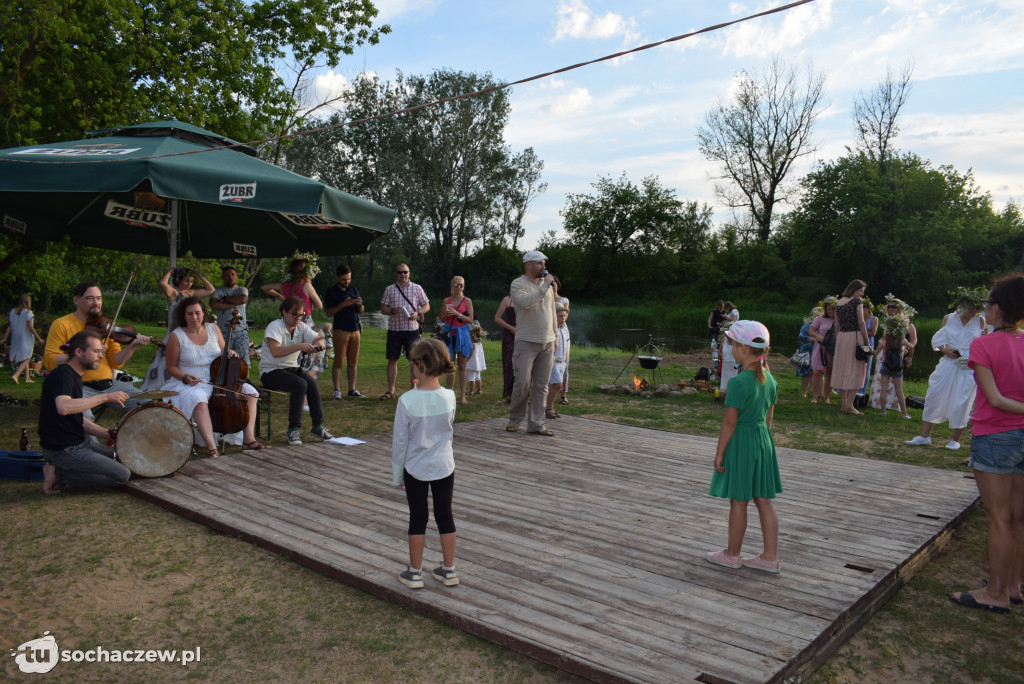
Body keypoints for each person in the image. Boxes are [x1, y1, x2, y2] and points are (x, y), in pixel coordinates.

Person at [949, 273, 1024, 613]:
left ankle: (995, 593)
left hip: (995, 436)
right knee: (1019, 517)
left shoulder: (984, 344)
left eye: (988, 305)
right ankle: (1013, 586)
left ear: (997, 309)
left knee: (999, 518)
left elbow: (993, 398)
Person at [705, 320, 783, 573]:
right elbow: (769, 419)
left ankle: (732, 554)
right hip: (763, 441)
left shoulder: (738, 384)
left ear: (741, 348)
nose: (730, 349)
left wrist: (719, 454)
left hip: (742, 442)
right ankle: (770, 557)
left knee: (739, 500)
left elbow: (729, 423)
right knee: (764, 500)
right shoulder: (770, 380)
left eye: (731, 345)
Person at [391, 338, 459, 589]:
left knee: (417, 518)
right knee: (445, 516)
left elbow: (400, 441)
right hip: (444, 467)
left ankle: (414, 572)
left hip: (415, 469)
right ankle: (449, 570)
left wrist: (398, 474)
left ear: (417, 366)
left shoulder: (407, 401)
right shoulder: (450, 397)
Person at [160, 297, 266, 456]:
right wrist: (185, 377)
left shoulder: (213, 328)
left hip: (219, 378)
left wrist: (230, 353)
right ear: (183, 316)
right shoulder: (177, 336)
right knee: (199, 398)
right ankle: (212, 448)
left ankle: (248, 439)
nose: (194, 317)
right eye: (190, 314)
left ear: (203, 313)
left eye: (197, 313)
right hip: (191, 381)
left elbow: (224, 352)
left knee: (250, 392)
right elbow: (171, 366)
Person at [38, 330, 133, 494]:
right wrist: (105, 397)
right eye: (96, 351)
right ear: (79, 352)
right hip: (64, 449)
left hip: (80, 443)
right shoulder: (63, 375)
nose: (101, 356)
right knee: (122, 475)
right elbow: (64, 407)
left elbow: (77, 420)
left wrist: (110, 434)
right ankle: (59, 474)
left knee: (129, 461)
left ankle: (66, 470)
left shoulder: (74, 375)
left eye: (101, 351)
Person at [43, 281, 150, 418]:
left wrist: (132, 346)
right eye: (90, 298)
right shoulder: (62, 324)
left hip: (109, 385)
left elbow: (116, 362)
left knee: (149, 404)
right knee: (82, 416)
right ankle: (91, 440)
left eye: (99, 298)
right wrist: (84, 356)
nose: (96, 302)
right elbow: (50, 360)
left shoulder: (106, 325)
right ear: (76, 300)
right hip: (80, 386)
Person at [907, 293, 988, 451]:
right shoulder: (949, 318)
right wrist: (944, 350)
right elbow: (939, 338)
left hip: (967, 367)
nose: (976, 312)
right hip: (948, 363)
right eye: (974, 309)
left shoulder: (980, 321)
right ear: (966, 306)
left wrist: (985, 337)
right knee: (935, 395)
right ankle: (925, 436)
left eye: (979, 309)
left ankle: (955, 439)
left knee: (962, 401)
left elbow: (983, 342)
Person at [260, 297, 335, 446]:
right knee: (300, 385)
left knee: (311, 383)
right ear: (284, 312)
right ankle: (293, 429)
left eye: (300, 315)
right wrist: (300, 346)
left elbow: (318, 338)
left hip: (290, 368)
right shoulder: (274, 326)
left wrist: (320, 343)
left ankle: (317, 426)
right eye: (294, 314)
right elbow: (275, 352)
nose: (298, 318)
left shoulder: (301, 326)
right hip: (270, 371)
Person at [507, 250, 557, 436]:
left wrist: (555, 336)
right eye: (540, 263)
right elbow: (526, 302)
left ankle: (536, 424)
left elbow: (551, 311)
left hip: (548, 342)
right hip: (526, 342)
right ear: (529, 264)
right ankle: (514, 420)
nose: (543, 266)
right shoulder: (518, 284)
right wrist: (544, 286)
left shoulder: (547, 286)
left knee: (542, 385)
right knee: (522, 383)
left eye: (544, 263)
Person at [141, 266, 215, 391]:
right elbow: (162, 283)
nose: (189, 284)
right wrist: (170, 271)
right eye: (186, 280)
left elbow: (210, 289)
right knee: (164, 364)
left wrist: (200, 276)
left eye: (191, 281)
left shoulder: (192, 294)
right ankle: (159, 391)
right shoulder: (174, 293)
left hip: (187, 335)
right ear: (179, 280)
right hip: (174, 333)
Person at [262, 257, 325, 383]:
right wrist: (308, 305)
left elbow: (265, 287)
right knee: (314, 356)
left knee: (297, 356)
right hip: (305, 319)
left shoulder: (285, 285)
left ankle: (298, 379)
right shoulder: (306, 286)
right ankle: (307, 381)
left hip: (289, 321)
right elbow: (319, 305)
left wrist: (281, 297)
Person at [379, 263, 430, 400]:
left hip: (412, 330)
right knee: (392, 361)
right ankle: (391, 391)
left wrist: (418, 313)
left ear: (409, 273)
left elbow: (426, 305)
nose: (403, 275)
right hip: (394, 330)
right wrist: (392, 311)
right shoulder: (389, 289)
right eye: (400, 272)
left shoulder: (417, 288)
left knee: (414, 361)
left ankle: (414, 390)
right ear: (396, 274)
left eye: (405, 272)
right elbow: (383, 308)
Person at [322, 264, 366, 399]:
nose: (346, 281)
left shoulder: (353, 289)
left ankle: (352, 389)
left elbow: (361, 310)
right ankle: (337, 390)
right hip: (341, 330)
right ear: (338, 278)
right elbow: (328, 312)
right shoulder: (332, 292)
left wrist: (359, 304)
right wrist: (343, 304)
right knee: (339, 361)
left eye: (348, 278)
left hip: (355, 329)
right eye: (344, 279)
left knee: (353, 361)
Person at [870, 297, 919, 411]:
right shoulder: (887, 321)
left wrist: (906, 349)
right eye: (889, 306)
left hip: (897, 353)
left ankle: (892, 404)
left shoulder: (906, 322)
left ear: (899, 309)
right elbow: (884, 338)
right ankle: (877, 404)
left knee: (895, 381)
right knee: (881, 378)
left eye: (893, 306)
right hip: (884, 353)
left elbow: (913, 340)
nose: (890, 309)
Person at [832, 280, 870, 415]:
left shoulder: (838, 303)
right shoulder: (857, 302)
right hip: (855, 337)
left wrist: (839, 340)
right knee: (858, 369)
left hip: (842, 338)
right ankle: (850, 405)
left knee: (843, 370)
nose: (861, 294)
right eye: (861, 291)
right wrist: (867, 341)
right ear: (854, 289)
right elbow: (861, 323)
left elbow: (837, 325)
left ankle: (844, 405)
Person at [441, 275, 474, 405]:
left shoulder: (467, 301)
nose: (458, 287)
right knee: (450, 364)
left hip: (462, 333)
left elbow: (470, 319)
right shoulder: (446, 300)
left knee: (462, 365)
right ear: (452, 286)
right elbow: (441, 318)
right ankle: (450, 393)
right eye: (456, 285)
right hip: (449, 332)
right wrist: (446, 314)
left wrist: (458, 314)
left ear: (463, 287)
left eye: (461, 285)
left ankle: (463, 396)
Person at [209, 265, 250, 362]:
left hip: (241, 330)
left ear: (236, 276)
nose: (230, 277)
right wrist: (233, 304)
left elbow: (243, 299)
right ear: (223, 277)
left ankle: (245, 377)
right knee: (223, 358)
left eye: (233, 274)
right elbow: (213, 304)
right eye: (227, 275)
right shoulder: (218, 290)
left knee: (243, 359)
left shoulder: (241, 289)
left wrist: (224, 300)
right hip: (223, 331)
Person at [3, 294, 45, 384]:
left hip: (16, 337)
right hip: (26, 337)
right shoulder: (28, 313)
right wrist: (39, 338)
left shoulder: (13, 311)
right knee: (27, 357)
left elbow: (9, 326)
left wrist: (4, 338)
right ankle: (16, 375)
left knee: (25, 356)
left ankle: (27, 378)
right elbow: (30, 327)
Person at [544, 303, 570, 419]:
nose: (563, 318)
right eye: (560, 316)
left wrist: (565, 359)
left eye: (564, 316)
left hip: (562, 361)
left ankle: (547, 407)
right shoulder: (550, 328)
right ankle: (548, 408)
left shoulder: (564, 328)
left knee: (552, 386)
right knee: (558, 385)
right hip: (552, 360)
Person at [809, 297, 837, 404]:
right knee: (817, 372)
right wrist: (817, 336)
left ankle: (827, 396)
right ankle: (815, 396)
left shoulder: (839, 321)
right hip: (820, 348)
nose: (831, 312)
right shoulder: (820, 319)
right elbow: (811, 331)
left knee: (830, 372)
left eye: (833, 309)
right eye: (829, 309)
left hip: (833, 348)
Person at [552, 277, 571, 404]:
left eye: (554, 284)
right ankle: (548, 390)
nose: (552, 286)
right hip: (549, 329)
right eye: (550, 284)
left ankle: (563, 394)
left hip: (561, 329)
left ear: (557, 285)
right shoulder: (543, 299)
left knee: (564, 362)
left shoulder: (563, 300)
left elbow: (564, 316)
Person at [494, 295, 516, 401]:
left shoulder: (527, 299)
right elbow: (497, 318)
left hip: (524, 334)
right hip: (509, 333)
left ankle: (521, 392)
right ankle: (510, 393)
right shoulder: (507, 299)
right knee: (509, 362)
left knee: (523, 363)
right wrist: (511, 328)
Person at [795, 309, 816, 398]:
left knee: (815, 372)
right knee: (806, 373)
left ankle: (813, 389)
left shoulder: (821, 326)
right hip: (806, 352)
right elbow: (802, 337)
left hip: (816, 351)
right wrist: (814, 339)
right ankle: (804, 392)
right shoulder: (807, 326)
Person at [861, 297, 878, 395]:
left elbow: (873, 332)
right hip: (858, 343)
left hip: (868, 344)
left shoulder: (874, 319)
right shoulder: (858, 318)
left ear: (868, 309)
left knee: (866, 367)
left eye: (863, 307)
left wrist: (862, 332)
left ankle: (862, 390)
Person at [466, 322, 486, 395]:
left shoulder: (472, 345)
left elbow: (471, 354)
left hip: (472, 363)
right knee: (478, 377)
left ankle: (471, 391)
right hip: (478, 364)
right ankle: (479, 390)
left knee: (471, 377)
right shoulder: (480, 344)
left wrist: (466, 360)